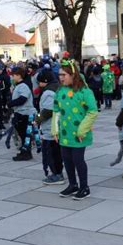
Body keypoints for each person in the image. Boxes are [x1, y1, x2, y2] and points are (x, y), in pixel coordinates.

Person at [52, 60, 98, 200]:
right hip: (64, 133)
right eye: (59, 74)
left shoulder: (84, 91)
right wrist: (55, 130)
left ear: (73, 75)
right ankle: (73, 185)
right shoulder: (60, 91)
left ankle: (84, 187)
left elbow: (92, 111)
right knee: (67, 160)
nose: (61, 77)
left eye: (64, 74)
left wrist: (82, 130)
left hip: (79, 134)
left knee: (78, 160)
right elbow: (56, 111)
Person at [35, 69, 65, 184]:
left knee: (52, 153)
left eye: (40, 82)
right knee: (56, 152)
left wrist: (37, 119)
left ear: (45, 81)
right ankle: (57, 172)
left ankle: (57, 174)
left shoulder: (48, 92)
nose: (39, 84)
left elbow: (47, 111)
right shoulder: (56, 88)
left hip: (50, 128)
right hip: (56, 126)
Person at [8, 67, 37, 161]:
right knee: (22, 134)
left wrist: (10, 103)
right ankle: (25, 151)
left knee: (25, 134)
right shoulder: (19, 85)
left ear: (18, 75)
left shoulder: (23, 86)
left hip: (25, 113)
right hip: (20, 112)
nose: (12, 77)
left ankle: (26, 153)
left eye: (13, 75)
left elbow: (22, 99)